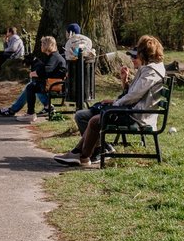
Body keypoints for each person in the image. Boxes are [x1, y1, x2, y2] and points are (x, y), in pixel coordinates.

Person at [55, 35, 167, 168]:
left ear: (144, 53)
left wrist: (115, 104)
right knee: (86, 116)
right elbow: (134, 93)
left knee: (94, 121)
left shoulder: (151, 72)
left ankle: (83, 156)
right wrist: (124, 83)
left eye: (137, 53)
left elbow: (134, 95)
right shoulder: (150, 69)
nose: (135, 56)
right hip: (134, 111)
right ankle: (83, 153)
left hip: (137, 117)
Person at [0, 35, 66, 123]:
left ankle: (27, 113)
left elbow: (46, 70)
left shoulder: (54, 57)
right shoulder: (53, 56)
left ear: (47, 45)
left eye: (42, 44)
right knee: (32, 85)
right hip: (52, 83)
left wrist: (34, 73)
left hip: (54, 84)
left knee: (31, 87)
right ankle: (46, 107)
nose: (41, 46)